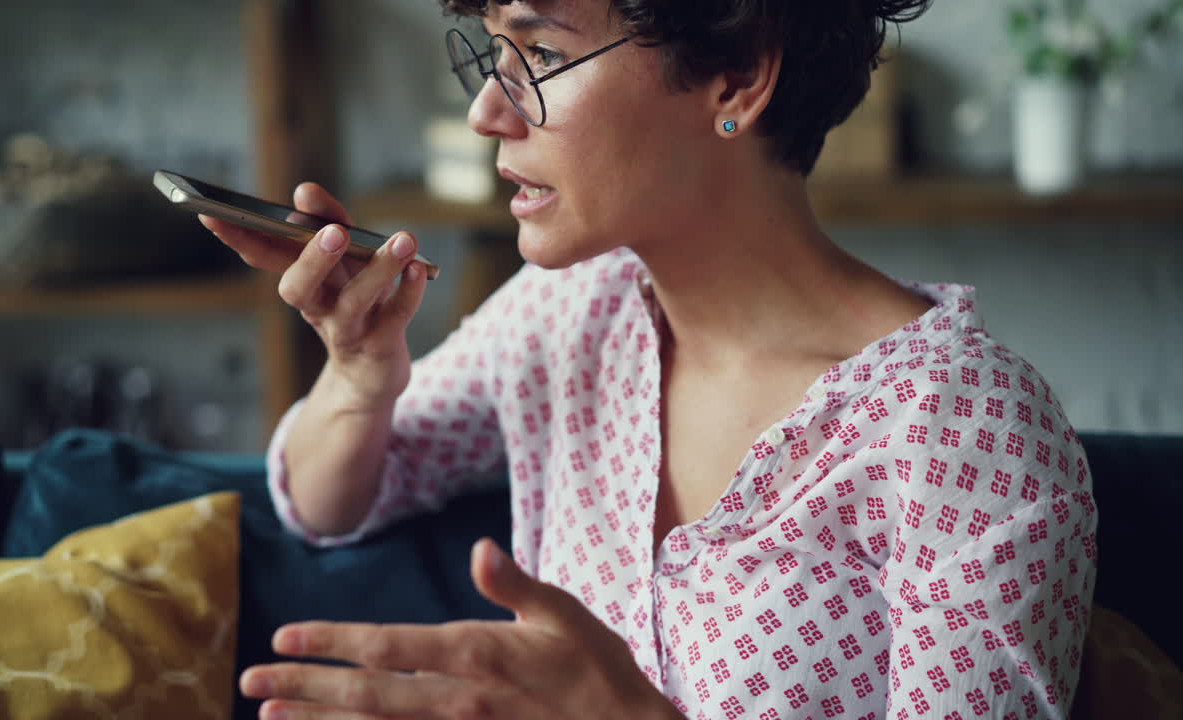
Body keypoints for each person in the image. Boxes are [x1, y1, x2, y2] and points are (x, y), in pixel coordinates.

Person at [202, 1, 1098, 718]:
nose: (486, 112)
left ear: (737, 77)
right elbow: (322, 502)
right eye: (492, 53)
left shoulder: (966, 432)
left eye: (542, 56)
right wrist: (361, 373)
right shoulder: (569, 313)